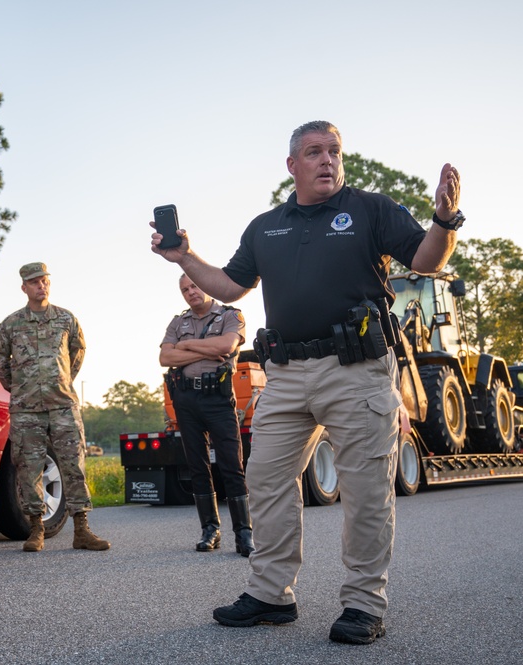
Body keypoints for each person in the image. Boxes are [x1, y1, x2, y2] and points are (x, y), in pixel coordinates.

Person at [151, 121, 461, 645]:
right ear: (292, 165)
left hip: (356, 371)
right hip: (286, 375)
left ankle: (364, 603)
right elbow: (230, 285)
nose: (327, 160)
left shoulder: (370, 209)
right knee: (266, 479)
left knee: (365, 490)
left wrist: (444, 220)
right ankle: (272, 595)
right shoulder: (266, 226)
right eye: (314, 152)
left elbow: (427, 259)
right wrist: (183, 256)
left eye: (334, 152)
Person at [0, 262, 109, 553]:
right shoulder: (11, 324)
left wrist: (63, 381)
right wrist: (17, 387)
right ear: (24, 288)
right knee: (28, 469)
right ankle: (36, 529)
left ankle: (82, 529)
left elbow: (77, 353)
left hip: (62, 405)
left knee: (73, 465)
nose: (40, 286)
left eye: (44, 280)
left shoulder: (66, 320)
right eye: (34, 282)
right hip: (26, 408)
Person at [160, 274, 252, 556]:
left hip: (218, 399)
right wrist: (202, 351)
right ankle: (210, 530)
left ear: (206, 286)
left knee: (231, 465)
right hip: (186, 400)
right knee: (197, 466)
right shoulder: (178, 322)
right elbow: (166, 358)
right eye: (185, 289)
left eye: (194, 286)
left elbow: (226, 347)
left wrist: (185, 346)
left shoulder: (229, 315)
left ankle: (243, 533)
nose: (190, 292)